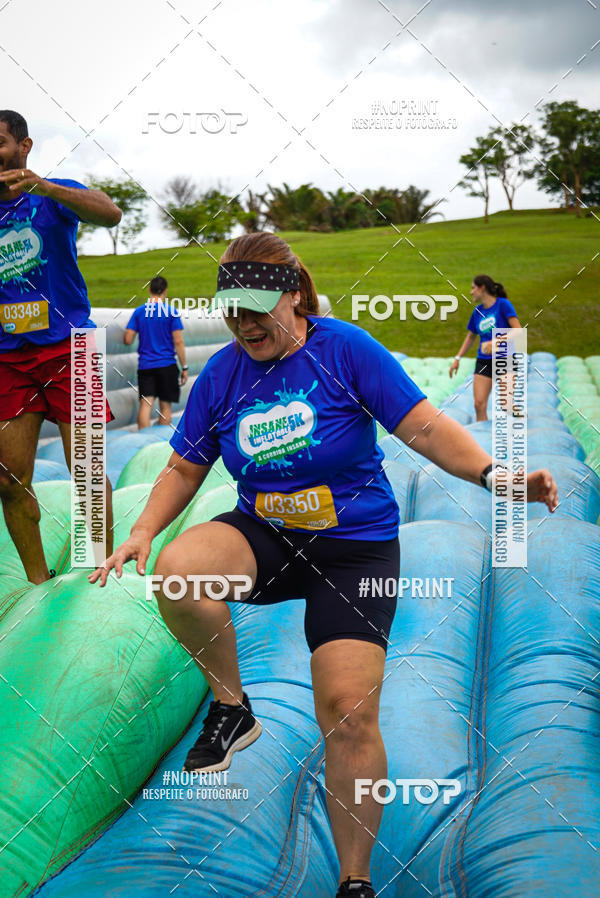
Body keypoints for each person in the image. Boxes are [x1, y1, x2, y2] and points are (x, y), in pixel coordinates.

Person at [90, 233, 558, 898]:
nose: (246, 325)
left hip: (354, 550)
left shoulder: (345, 350)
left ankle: (354, 880)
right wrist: (142, 530)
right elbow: (184, 467)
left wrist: (496, 476)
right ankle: (233, 707)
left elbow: (425, 428)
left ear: (296, 296)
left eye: (258, 309)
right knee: (178, 570)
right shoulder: (222, 375)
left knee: (347, 713)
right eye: (233, 311)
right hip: (269, 536)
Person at [0, 110, 121, 584]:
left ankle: (99, 574)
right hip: (8, 358)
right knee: (8, 477)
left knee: (87, 469)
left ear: (23, 146)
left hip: (73, 349)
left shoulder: (52, 196)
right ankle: (38, 583)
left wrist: (45, 187)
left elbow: (110, 213)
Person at [449, 275, 521, 421]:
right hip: (484, 361)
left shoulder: (503, 304)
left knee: (506, 404)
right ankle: (482, 434)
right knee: (479, 404)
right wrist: (457, 358)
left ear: (482, 288)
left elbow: (518, 330)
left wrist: (496, 342)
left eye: (473, 288)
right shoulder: (477, 312)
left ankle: (522, 419)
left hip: (505, 358)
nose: (471, 292)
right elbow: (471, 337)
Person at [124, 276, 188, 429]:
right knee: (165, 407)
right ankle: (160, 441)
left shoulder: (139, 312)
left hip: (146, 365)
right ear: (165, 291)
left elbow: (128, 339)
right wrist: (184, 367)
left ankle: (143, 440)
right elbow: (178, 341)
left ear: (149, 290)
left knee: (146, 404)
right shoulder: (171, 312)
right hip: (167, 364)